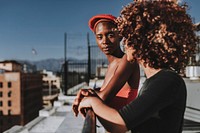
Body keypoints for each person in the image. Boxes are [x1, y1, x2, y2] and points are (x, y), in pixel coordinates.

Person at [76, 0, 198, 133]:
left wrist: (92, 102)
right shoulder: (157, 80)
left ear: (142, 39)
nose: (125, 41)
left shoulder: (167, 80)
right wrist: (92, 95)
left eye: (129, 35)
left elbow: (118, 123)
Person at [72, 14, 140, 115]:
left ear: (120, 36)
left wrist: (85, 94)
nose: (105, 41)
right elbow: (103, 92)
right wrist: (88, 92)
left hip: (127, 128)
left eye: (110, 35)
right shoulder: (111, 64)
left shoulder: (127, 60)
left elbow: (104, 98)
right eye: (99, 37)